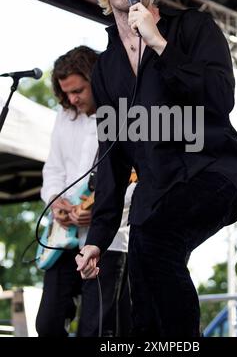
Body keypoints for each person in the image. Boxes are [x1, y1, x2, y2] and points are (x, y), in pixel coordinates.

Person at [76, 0, 237, 337]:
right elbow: (114, 155)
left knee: (156, 241)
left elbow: (220, 97)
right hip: (156, 194)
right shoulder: (105, 70)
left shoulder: (193, 28)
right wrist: (98, 236)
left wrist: (159, 44)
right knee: (144, 286)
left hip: (211, 172)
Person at [35, 45, 133, 337]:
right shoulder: (65, 116)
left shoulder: (124, 115)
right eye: (66, 93)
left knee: (96, 330)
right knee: (48, 324)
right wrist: (56, 202)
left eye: (78, 90)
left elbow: (137, 180)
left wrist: (103, 211)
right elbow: (52, 170)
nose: (72, 99)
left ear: (98, 79)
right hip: (62, 239)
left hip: (108, 242)